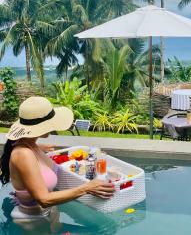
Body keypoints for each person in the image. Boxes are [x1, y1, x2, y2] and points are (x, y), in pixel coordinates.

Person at [0, 96, 115, 233]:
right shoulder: (23, 154)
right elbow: (43, 199)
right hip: (33, 221)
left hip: (49, 213)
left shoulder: (30, 146)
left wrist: (39, 149)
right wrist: (87, 188)